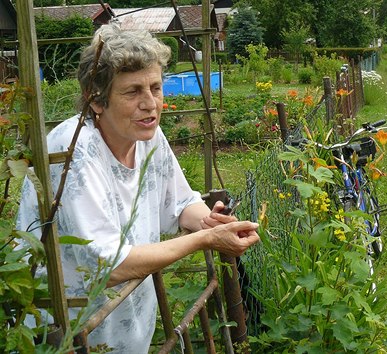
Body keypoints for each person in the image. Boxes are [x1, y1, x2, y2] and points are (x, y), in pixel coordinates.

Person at [16, 24, 260, 352]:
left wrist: (207, 221)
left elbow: (181, 201)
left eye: (155, 87)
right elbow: (110, 266)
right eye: (132, 92)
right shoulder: (73, 151)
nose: (150, 104)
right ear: (96, 99)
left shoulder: (145, 134)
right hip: (65, 336)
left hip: (123, 325)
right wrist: (204, 239)